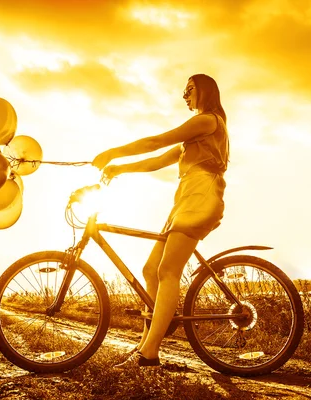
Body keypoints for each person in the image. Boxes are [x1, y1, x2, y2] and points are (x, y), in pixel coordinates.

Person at [92, 73, 230, 368]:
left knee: (168, 270)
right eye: (183, 91)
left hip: (201, 195)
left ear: (205, 90)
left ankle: (150, 353)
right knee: (151, 268)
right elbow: (156, 161)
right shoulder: (195, 135)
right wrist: (119, 168)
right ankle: (145, 343)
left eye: (189, 89)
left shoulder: (208, 121)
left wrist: (114, 151)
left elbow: (156, 141)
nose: (184, 96)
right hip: (186, 197)